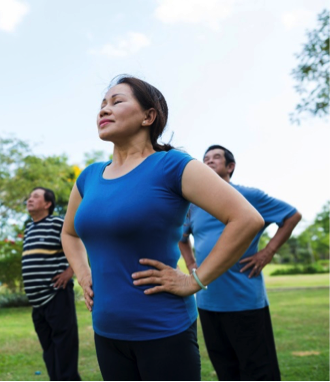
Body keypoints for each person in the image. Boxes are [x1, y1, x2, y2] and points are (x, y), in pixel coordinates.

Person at [61, 75, 265, 381]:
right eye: (102, 104)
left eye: (117, 102)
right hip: (106, 332)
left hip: (164, 331)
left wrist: (195, 280)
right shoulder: (89, 177)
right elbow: (69, 232)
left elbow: (247, 219)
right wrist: (83, 273)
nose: (104, 110)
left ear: (148, 116)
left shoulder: (173, 166)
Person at [179, 145, 302, 381]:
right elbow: (182, 239)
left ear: (230, 167)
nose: (209, 161)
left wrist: (268, 252)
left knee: (259, 371)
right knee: (226, 370)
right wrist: (191, 263)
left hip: (245, 300)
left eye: (216, 158)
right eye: (205, 159)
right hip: (207, 301)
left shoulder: (250, 196)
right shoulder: (194, 205)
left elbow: (291, 215)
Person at [22, 187, 81, 381]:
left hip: (56, 294)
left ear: (48, 204)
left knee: (64, 348)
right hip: (37, 302)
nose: (30, 199)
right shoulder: (29, 227)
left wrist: (69, 271)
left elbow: (79, 244)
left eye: (35, 196)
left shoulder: (58, 223)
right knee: (49, 350)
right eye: (30, 197)